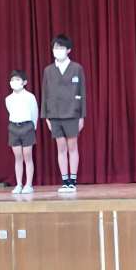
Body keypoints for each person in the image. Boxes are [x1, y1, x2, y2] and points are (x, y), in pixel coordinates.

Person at [41, 34, 86, 192]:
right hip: (54, 114)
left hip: (72, 114)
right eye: (55, 48)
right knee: (61, 148)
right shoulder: (48, 70)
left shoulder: (77, 68)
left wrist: (82, 116)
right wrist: (45, 116)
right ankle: (65, 180)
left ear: (68, 50)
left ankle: (72, 180)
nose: (57, 50)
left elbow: (82, 92)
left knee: (72, 147)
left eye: (61, 48)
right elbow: (45, 93)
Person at [5, 70, 38, 194]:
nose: (14, 82)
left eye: (17, 79)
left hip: (27, 126)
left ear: (24, 82)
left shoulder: (30, 96)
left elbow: (34, 113)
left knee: (27, 156)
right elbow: (10, 111)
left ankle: (28, 184)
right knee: (18, 157)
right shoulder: (8, 99)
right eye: (12, 80)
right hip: (14, 127)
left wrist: (32, 128)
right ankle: (19, 184)